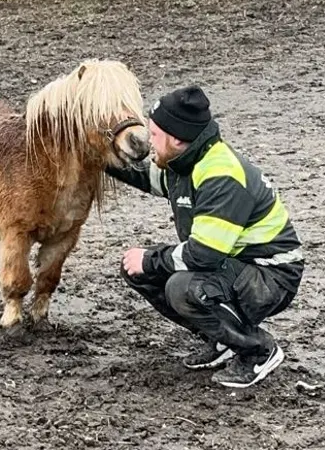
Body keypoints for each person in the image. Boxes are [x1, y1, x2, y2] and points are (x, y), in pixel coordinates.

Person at [107, 85, 304, 389]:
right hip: (236, 265)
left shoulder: (221, 175)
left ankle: (257, 351)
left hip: (272, 276)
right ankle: (223, 339)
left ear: (176, 138)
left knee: (182, 287)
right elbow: (144, 177)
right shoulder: (184, 160)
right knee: (140, 271)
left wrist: (149, 259)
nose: (149, 142)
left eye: (154, 134)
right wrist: (101, 157)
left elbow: (203, 255)